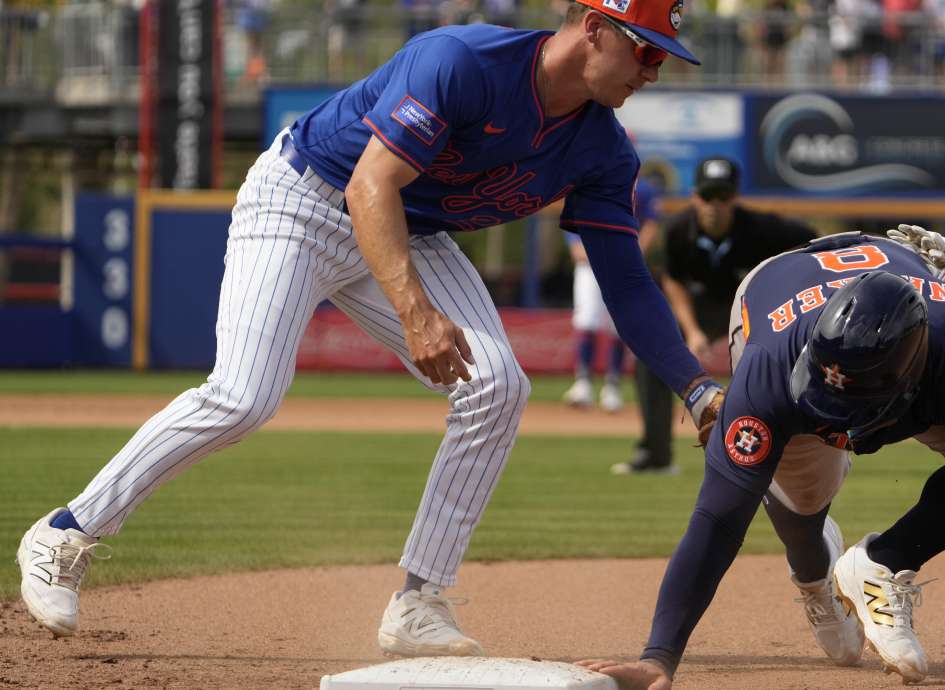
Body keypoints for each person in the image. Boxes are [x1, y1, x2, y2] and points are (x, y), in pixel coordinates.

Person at [15, 0, 726, 661]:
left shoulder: (604, 149)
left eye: (663, 58)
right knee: (244, 395)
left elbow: (626, 281)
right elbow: (368, 186)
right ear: (596, 27)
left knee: (499, 386)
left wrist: (696, 390)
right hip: (306, 199)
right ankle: (64, 535)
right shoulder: (463, 62)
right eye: (647, 51)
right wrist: (417, 312)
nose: (654, 70)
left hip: (412, 232)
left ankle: (419, 601)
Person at [580, 227, 945, 690]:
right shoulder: (768, 371)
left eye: (852, 406)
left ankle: (881, 560)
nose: (838, 423)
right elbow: (719, 517)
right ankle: (817, 581)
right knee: (802, 504)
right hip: (776, 298)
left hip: (923, 332)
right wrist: (657, 657)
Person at [613, 156, 814, 475]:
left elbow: (812, 243)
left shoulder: (763, 228)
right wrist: (692, 331)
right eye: (708, 195)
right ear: (695, 196)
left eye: (723, 196)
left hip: (754, 307)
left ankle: (788, 450)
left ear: (735, 197)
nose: (714, 205)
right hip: (701, 306)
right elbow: (673, 280)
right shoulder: (679, 230)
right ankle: (656, 454)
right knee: (651, 359)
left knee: (776, 362)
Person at [562, 174, 662, 412]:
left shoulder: (642, 188)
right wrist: (577, 248)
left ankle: (613, 387)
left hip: (623, 264)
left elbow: (652, 222)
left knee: (619, 326)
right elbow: (571, 223)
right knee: (587, 322)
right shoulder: (583, 183)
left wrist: (634, 254)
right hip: (589, 263)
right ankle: (583, 383)